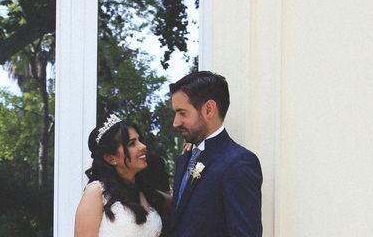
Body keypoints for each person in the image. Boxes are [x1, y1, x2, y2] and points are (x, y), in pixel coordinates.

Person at [169, 71, 263, 237]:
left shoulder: (239, 163)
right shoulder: (184, 159)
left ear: (209, 109)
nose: (175, 122)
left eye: (182, 113)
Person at [74, 115, 165, 237]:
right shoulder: (96, 192)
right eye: (132, 143)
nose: (143, 146)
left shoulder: (143, 190)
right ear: (111, 158)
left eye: (139, 140)